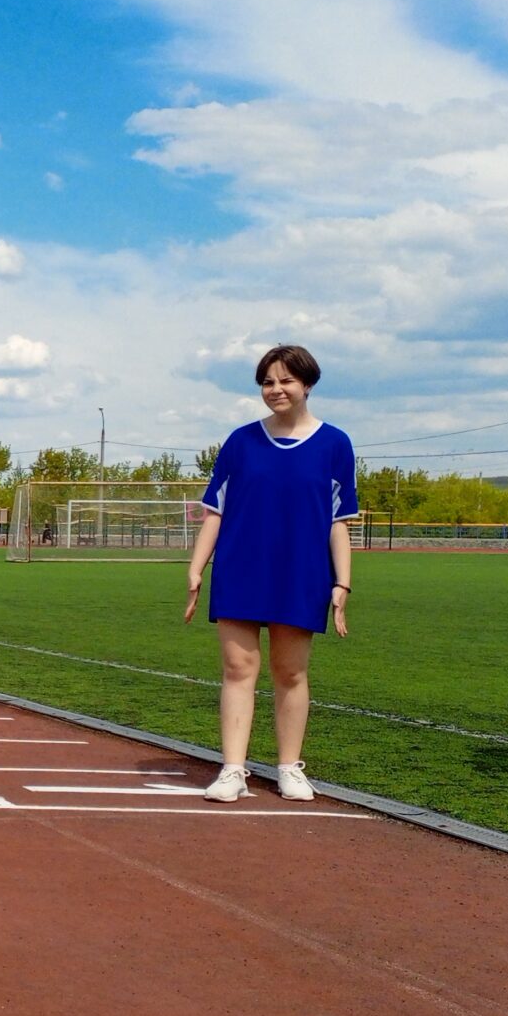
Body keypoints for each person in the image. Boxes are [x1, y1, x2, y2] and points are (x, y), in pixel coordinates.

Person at [183, 344, 357, 803]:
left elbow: (338, 522)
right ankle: (232, 770)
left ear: (307, 385)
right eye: (267, 381)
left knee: (290, 672)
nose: (276, 389)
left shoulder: (335, 444)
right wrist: (197, 568)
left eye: (285, 381)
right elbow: (215, 512)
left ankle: (288, 768)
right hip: (241, 567)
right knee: (238, 668)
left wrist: (342, 582)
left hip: (302, 573)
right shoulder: (240, 441)